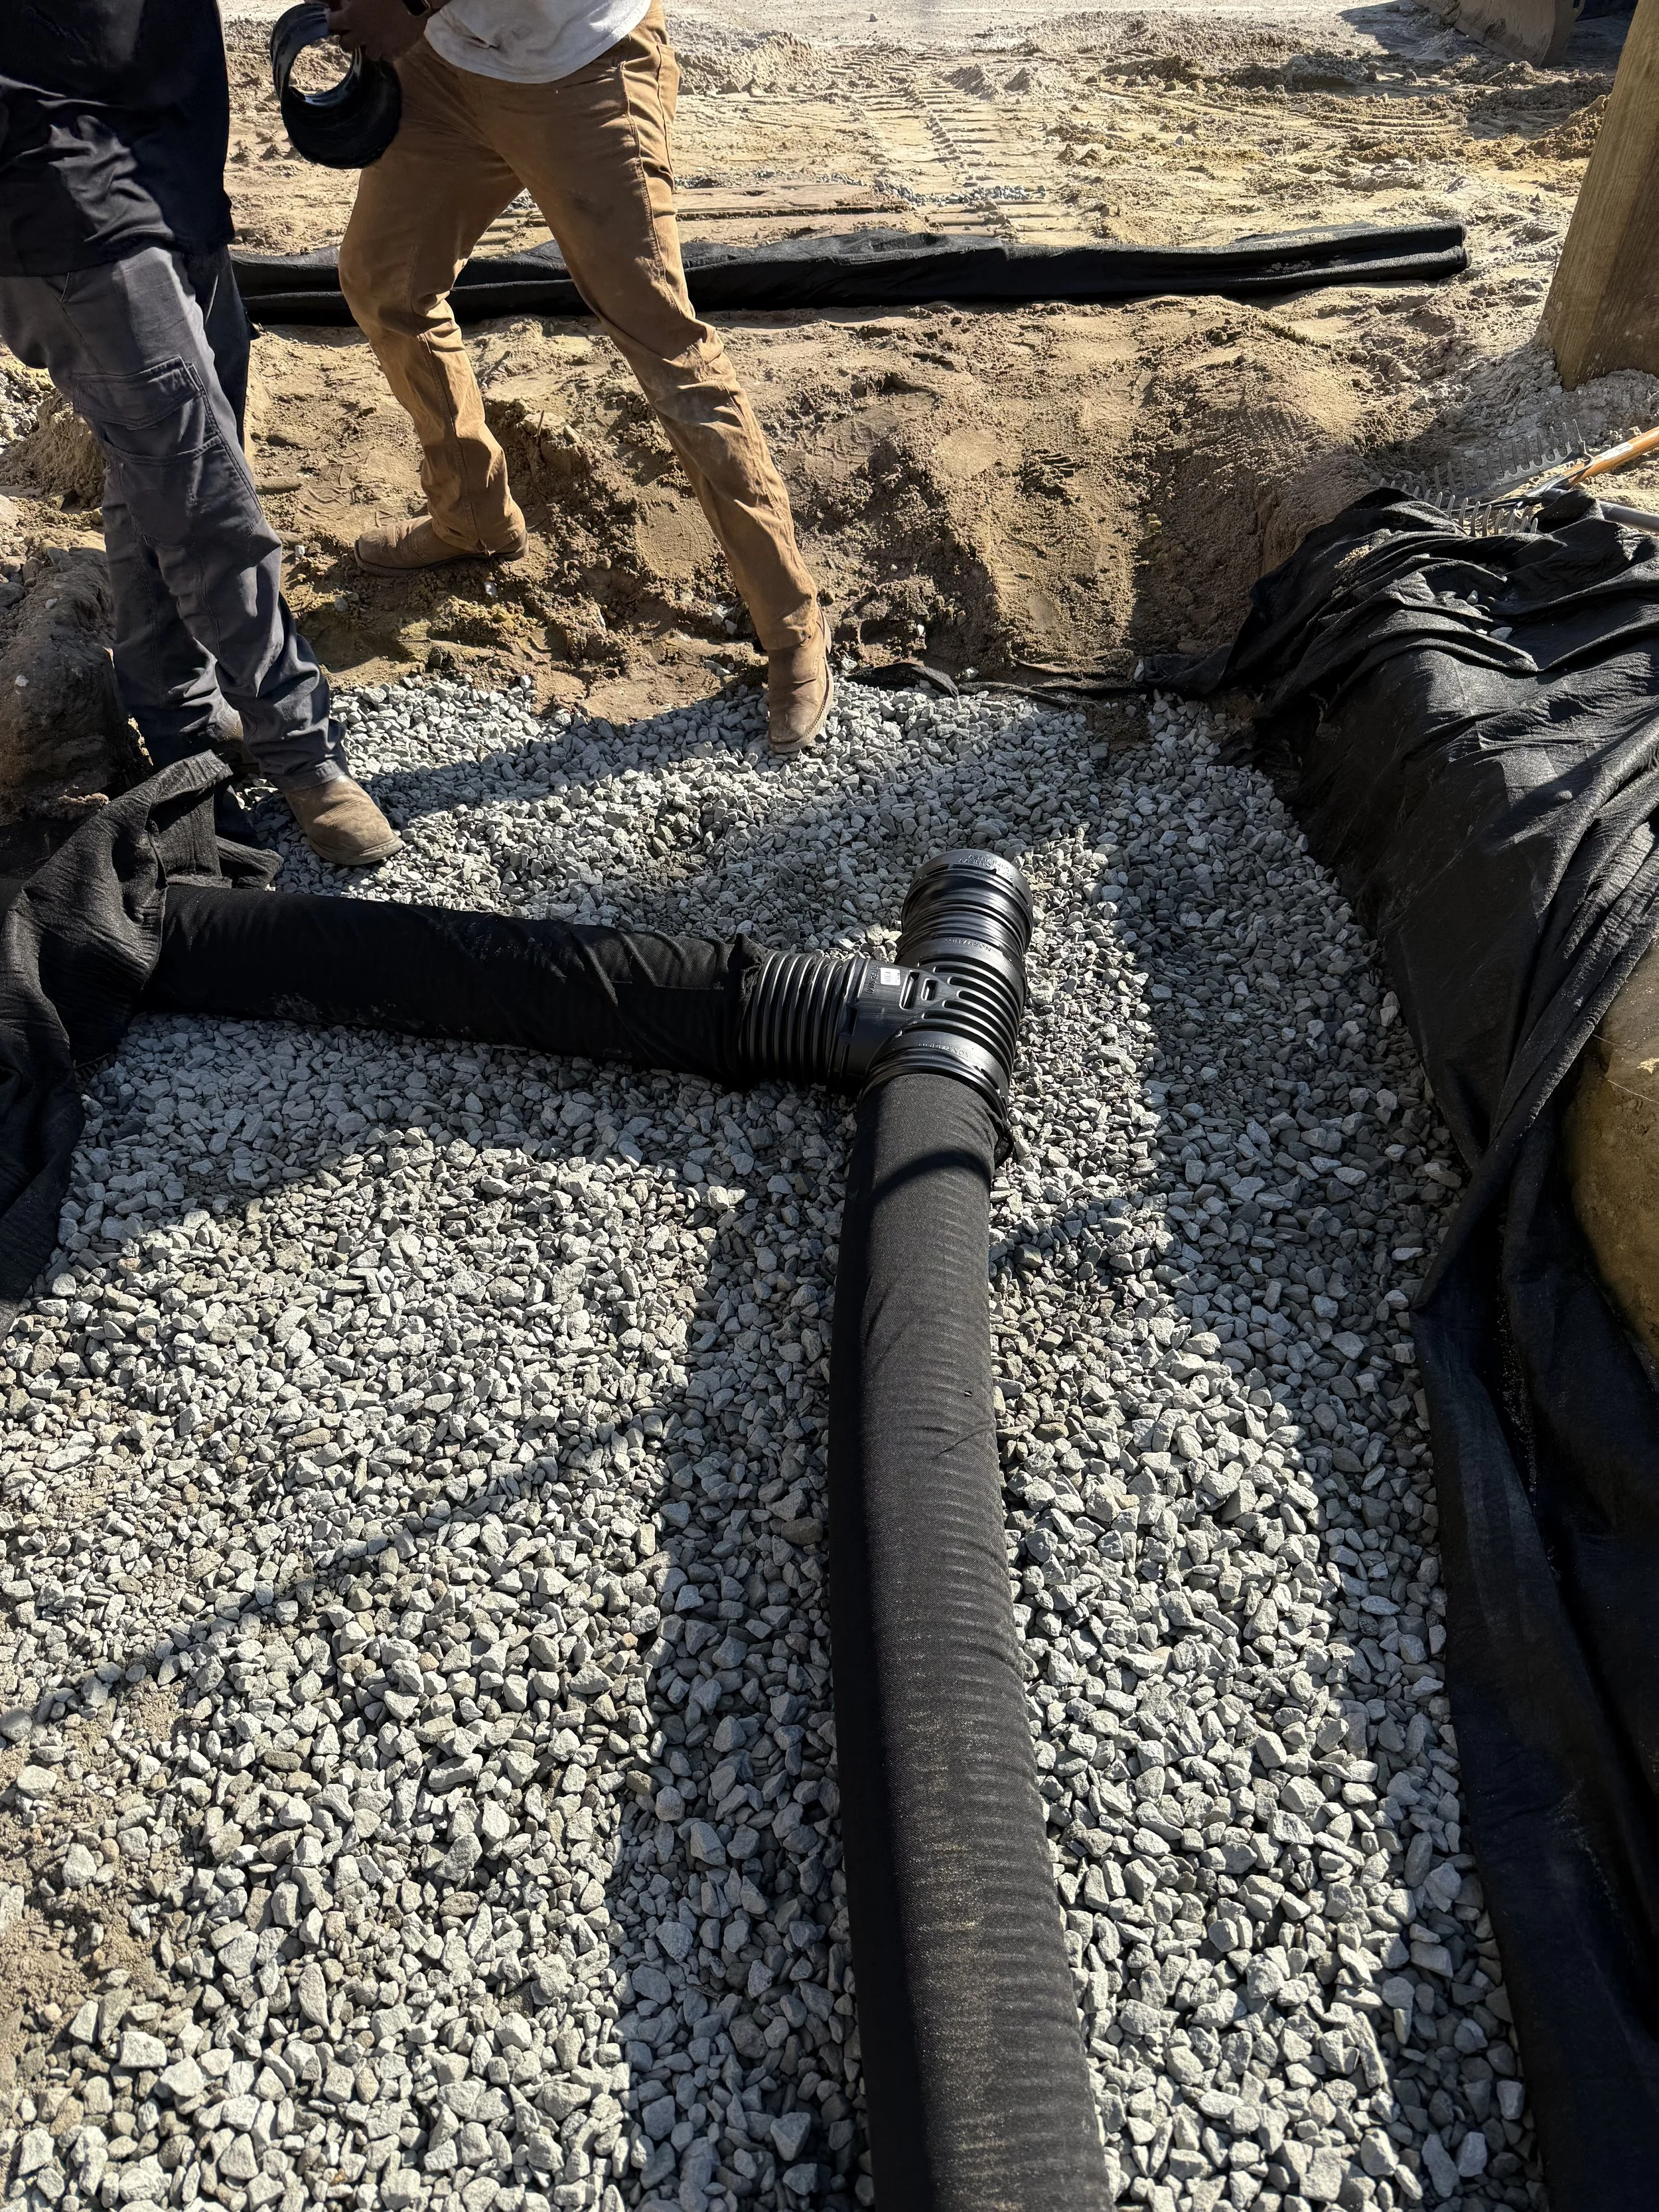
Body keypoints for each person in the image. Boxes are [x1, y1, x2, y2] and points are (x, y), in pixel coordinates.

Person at [326, 0, 834, 757]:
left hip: (581, 62)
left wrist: (406, 5)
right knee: (384, 284)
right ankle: (471, 514)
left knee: (662, 341)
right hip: (446, 60)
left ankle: (790, 624)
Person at [0, 1, 401, 867]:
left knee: (164, 478)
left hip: (167, 156)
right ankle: (303, 751)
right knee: (207, 494)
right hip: (55, 175)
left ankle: (177, 727)